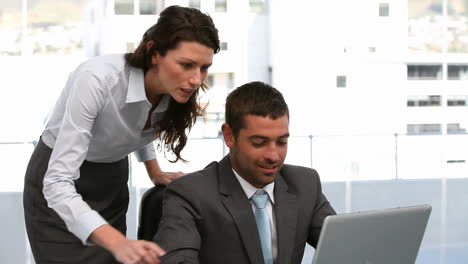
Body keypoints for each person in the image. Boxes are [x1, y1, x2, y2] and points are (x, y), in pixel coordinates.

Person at [23, 5, 220, 264]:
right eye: (186, 65)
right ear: (154, 52)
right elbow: (58, 182)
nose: (196, 80)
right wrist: (116, 242)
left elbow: (136, 124)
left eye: (204, 68)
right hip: (58, 181)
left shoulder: (174, 90)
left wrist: (154, 171)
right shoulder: (97, 79)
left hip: (111, 182)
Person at [154, 81, 336, 264]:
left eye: (282, 142)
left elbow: (347, 246)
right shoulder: (190, 194)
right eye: (259, 142)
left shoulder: (305, 184)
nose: (273, 156)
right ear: (229, 136)